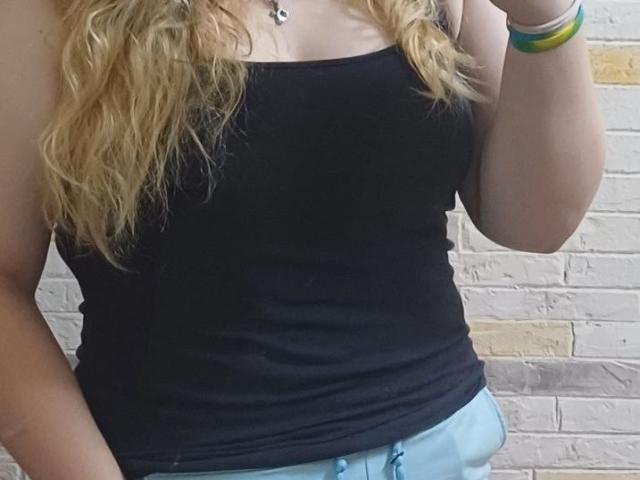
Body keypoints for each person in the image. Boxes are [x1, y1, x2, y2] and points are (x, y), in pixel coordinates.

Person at [0, 0, 605, 479]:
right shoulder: (57, 10)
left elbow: (533, 222)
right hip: (189, 462)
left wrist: (545, 19)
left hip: (439, 449)